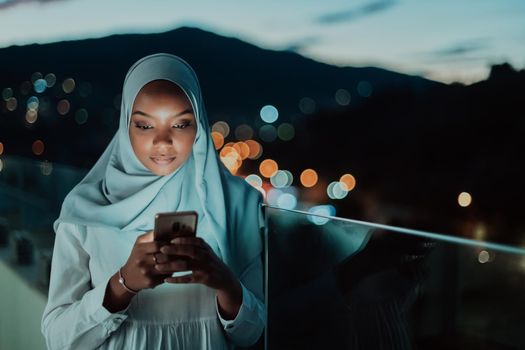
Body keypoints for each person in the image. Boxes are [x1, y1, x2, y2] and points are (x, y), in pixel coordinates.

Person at [41, 53, 266, 349]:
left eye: (181, 124)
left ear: (199, 125)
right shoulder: (86, 208)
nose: (162, 141)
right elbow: (57, 339)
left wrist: (225, 283)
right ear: (125, 125)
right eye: (145, 125)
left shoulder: (239, 203)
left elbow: (252, 335)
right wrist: (122, 285)